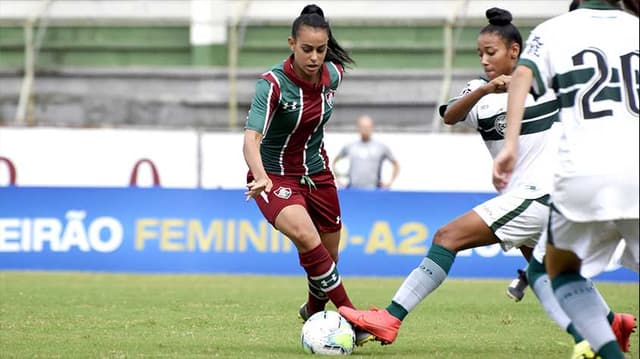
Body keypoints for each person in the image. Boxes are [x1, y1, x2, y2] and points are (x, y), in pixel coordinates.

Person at [337, 7, 636, 355]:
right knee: (546, 270)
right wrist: (486, 90)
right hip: (534, 196)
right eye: (479, 53)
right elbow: (450, 115)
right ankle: (612, 322)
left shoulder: (545, 85)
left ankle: (390, 317)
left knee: (446, 237)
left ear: (514, 51)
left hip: (542, 192)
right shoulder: (478, 90)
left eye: (491, 52)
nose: (484, 59)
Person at [492, 0, 639, 358]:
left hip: (583, 174)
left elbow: (522, 79)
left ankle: (610, 354)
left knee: (555, 269)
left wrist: (509, 145)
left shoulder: (553, 30)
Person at [242, 4, 372, 346]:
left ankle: (314, 308)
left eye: (321, 49)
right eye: (306, 49)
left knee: (329, 258)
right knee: (305, 235)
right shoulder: (271, 85)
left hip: (318, 175)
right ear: (291, 43)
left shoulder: (333, 74)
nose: (314, 57)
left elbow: (335, 67)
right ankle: (351, 316)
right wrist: (259, 176)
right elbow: (250, 140)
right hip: (274, 177)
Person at [332, 115, 400, 189]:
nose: (365, 129)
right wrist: (338, 181)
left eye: (367, 127)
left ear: (372, 127)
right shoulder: (350, 146)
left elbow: (395, 164)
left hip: (374, 190)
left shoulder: (381, 147)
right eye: (363, 127)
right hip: (353, 190)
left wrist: (389, 183)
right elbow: (334, 162)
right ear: (358, 128)